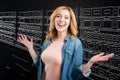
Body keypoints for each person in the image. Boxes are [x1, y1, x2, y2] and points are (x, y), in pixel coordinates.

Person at [17, 6, 114, 80]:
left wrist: (90, 62)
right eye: (58, 16)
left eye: (66, 17)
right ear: (54, 19)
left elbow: (76, 75)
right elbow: (39, 64)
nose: (61, 20)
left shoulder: (76, 43)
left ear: (70, 22)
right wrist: (30, 47)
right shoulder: (47, 41)